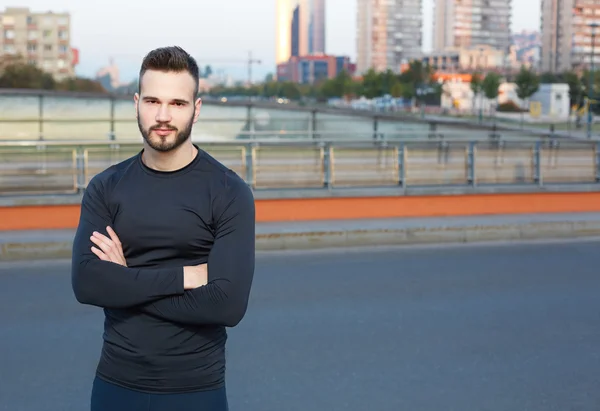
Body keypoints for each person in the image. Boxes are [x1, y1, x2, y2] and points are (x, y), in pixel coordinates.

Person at [70, 45, 256, 411]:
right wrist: (186, 277)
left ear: (196, 109)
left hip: (196, 390)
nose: (163, 115)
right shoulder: (106, 187)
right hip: (115, 386)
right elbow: (87, 283)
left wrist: (126, 281)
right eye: (153, 101)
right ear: (136, 103)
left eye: (177, 103)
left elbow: (227, 306)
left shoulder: (229, 191)